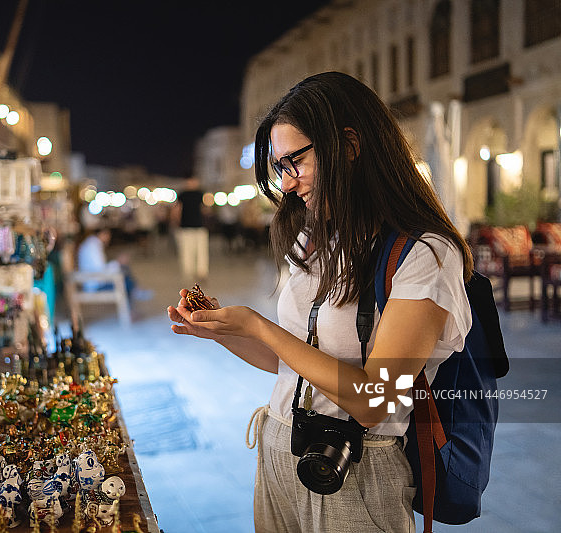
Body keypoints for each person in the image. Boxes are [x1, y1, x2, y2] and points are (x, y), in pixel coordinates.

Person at [167, 72, 474, 533]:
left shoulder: (423, 254)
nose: (287, 184)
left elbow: (376, 400)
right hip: (278, 448)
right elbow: (290, 362)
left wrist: (258, 324)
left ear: (349, 146)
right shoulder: (316, 238)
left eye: (295, 161)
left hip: (356, 468)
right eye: (280, 167)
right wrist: (221, 331)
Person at [76, 227, 151, 302]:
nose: (109, 238)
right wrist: (117, 262)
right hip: (95, 284)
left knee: (124, 270)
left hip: (95, 279)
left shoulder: (92, 243)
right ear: (103, 234)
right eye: (108, 235)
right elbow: (101, 271)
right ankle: (132, 299)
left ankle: (135, 291)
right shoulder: (93, 247)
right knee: (124, 278)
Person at [171, 176, 209, 283]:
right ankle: (194, 272)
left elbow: (176, 210)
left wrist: (176, 221)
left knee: (193, 251)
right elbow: (205, 209)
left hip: (195, 226)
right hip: (189, 227)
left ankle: (198, 272)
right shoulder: (187, 194)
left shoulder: (195, 194)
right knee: (193, 251)